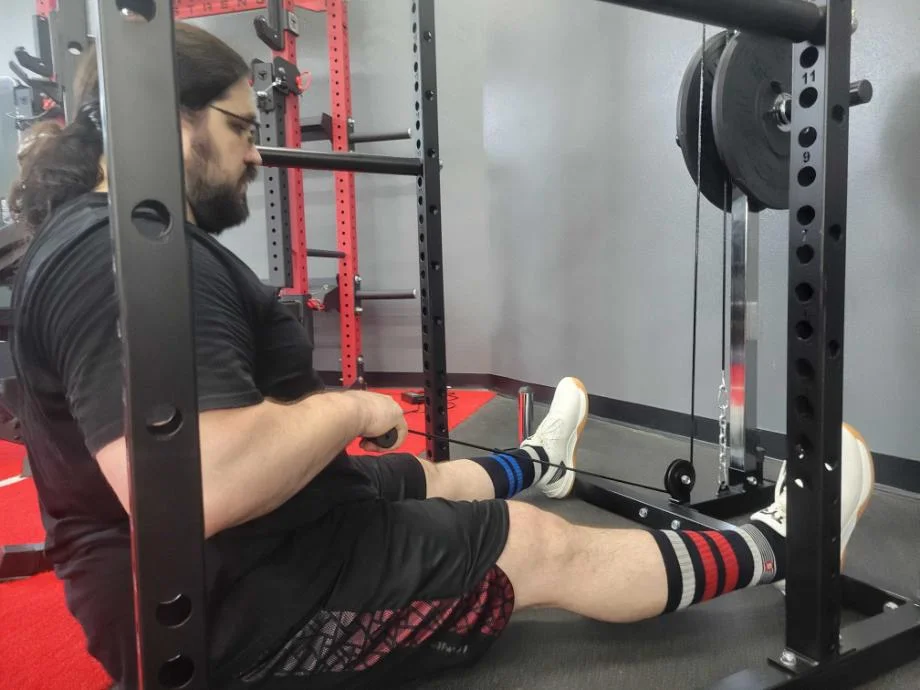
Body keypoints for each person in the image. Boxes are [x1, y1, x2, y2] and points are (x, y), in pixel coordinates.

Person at [8, 23, 875, 690]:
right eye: (238, 127)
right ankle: (786, 548)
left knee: (414, 476)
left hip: (239, 562)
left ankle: (540, 461)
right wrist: (351, 406)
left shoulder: (123, 241)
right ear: (171, 120)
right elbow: (203, 486)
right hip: (227, 621)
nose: (255, 150)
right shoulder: (113, 258)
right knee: (534, 545)